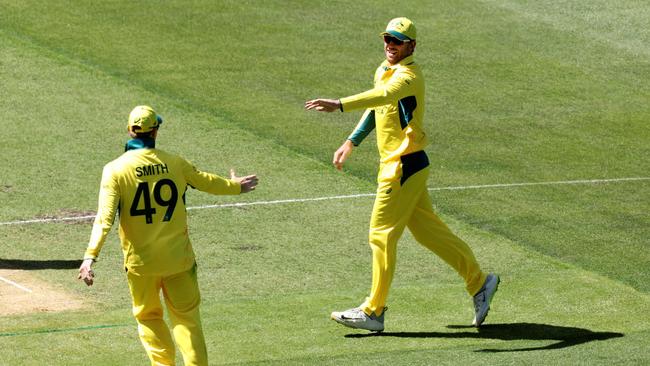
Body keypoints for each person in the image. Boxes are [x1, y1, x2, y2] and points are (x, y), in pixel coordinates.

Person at [305, 17, 499, 332]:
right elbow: (378, 108)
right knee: (427, 233)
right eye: (387, 39)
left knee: (380, 235)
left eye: (397, 41)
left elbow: (382, 97)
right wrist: (351, 141)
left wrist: (339, 105)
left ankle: (373, 310)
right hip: (408, 165)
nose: (390, 46)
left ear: (411, 46)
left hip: (402, 166)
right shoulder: (384, 70)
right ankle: (479, 283)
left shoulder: (409, 76)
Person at [78, 105, 258, 365]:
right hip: (179, 261)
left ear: (130, 130)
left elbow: (104, 219)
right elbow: (206, 181)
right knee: (187, 320)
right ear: (156, 131)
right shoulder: (175, 163)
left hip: (141, 265)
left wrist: (89, 257)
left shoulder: (115, 170)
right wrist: (235, 187)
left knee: (149, 317)